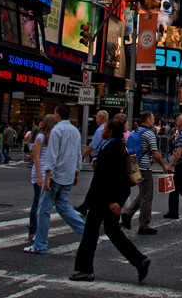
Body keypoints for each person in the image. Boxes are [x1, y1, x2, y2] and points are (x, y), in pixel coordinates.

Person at [70, 118, 150, 283]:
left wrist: (113, 201)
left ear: (111, 131)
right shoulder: (114, 145)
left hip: (104, 198)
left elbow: (113, 176)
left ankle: (86, 270)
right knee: (112, 230)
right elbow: (110, 171)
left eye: (105, 127)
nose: (103, 129)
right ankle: (139, 260)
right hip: (105, 196)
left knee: (90, 233)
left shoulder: (113, 147)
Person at [24, 104, 85, 254]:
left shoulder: (57, 130)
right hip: (69, 174)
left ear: (58, 115)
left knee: (43, 210)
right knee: (63, 206)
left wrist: (47, 177)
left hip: (56, 175)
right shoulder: (75, 131)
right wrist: (77, 172)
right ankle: (85, 232)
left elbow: (52, 155)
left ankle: (40, 244)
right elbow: (78, 153)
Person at [121, 110, 172, 234]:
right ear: (148, 120)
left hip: (136, 166)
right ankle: (144, 224)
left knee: (143, 193)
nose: (154, 122)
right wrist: (164, 165)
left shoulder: (135, 131)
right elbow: (155, 153)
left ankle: (128, 214)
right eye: (153, 119)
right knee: (147, 196)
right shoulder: (149, 134)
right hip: (145, 167)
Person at [28, 114, 55, 241]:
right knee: (37, 201)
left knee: (43, 203)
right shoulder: (40, 136)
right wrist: (39, 176)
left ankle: (39, 230)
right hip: (40, 171)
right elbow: (36, 157)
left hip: (48, 171)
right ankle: (33, 230)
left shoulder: (53, 137)